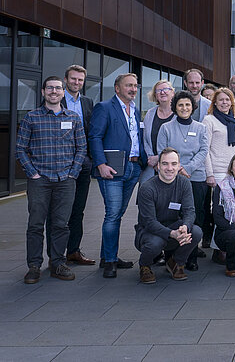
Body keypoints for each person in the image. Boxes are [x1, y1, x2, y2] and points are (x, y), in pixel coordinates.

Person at [17, 76, 87, 284]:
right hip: (40, 180)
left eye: (58, 88)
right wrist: (33, 173)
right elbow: (20, 149)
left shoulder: (73, 118)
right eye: (50, 88)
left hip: (65, 180)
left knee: (61, 224)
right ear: (43, 92)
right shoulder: (31, 118)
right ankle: (34, 266)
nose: (54, 91)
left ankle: (57, 263)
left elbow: (81, 148)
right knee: (36, 224)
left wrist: (73, 173)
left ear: (63, 92)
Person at [89, 73, 146, 278]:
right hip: (111, 170)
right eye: (128, 85)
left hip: (133, 168)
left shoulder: (135, 110)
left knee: (117, 214)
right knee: (112, 214)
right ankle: (110, 261)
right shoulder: (104, 108)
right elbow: (94, 136)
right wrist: (101, 164)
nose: (133, 89)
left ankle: (107, 255)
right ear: (117, 88)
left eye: (135, 86)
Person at [157, 90, 210, 271]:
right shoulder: (166, 128)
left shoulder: (201, 128)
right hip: (172, 179)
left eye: (188, 104)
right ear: (175, 107)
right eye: (180, 105)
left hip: (196, 177)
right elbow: (162, 152)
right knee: (174, 216)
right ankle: (172, 257)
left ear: (193, 107)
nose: (184, 108)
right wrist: (177, 169)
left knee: (195, 216)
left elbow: (203, 150)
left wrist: (188, 168)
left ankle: (191, 257)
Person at [134, 148, 202, 283]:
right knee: (155, 243)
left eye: (174, 164)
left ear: (179, 166)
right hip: (149, 232)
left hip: (173, 226)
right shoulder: (147, 188)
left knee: (195, 232)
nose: (170, 168)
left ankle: (175, 262)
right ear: (158, 166)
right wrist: (172, 233)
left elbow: (189, 211)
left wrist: (185, 226)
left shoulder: (184, 183)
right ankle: (145, 265)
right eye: (165, 164)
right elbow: (149, 222)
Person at [60, 65, 96, 266]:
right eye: (73, 79)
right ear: (66, 80)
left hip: (83, 163)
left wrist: (90, 159)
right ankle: (56, 255)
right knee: (59, 211)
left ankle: (73, 250)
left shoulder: (87, 102)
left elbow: (92, 131)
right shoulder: (56, 99)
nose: (76, 82)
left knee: (78, 209)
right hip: (61, 164)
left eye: (80, 80)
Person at [204, 88, 235, 185]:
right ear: (215, 102)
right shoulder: (209, 120)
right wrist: (210, 174)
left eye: (227, 99)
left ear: (231, 103)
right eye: (221, 100)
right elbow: (205, 149)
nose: (224, 102)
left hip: (234, 170)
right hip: (217, 172)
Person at [140, 80, 175, 184]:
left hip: (171, 167)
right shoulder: (150, 113)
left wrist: (159, 158)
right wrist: (152, 159)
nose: (162, 92)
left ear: (172, 93)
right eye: (158, 90)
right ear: (155, 95)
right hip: (151, 167)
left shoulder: (178, 115)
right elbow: (145, 139)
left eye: (165, 89)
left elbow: (178, 142)